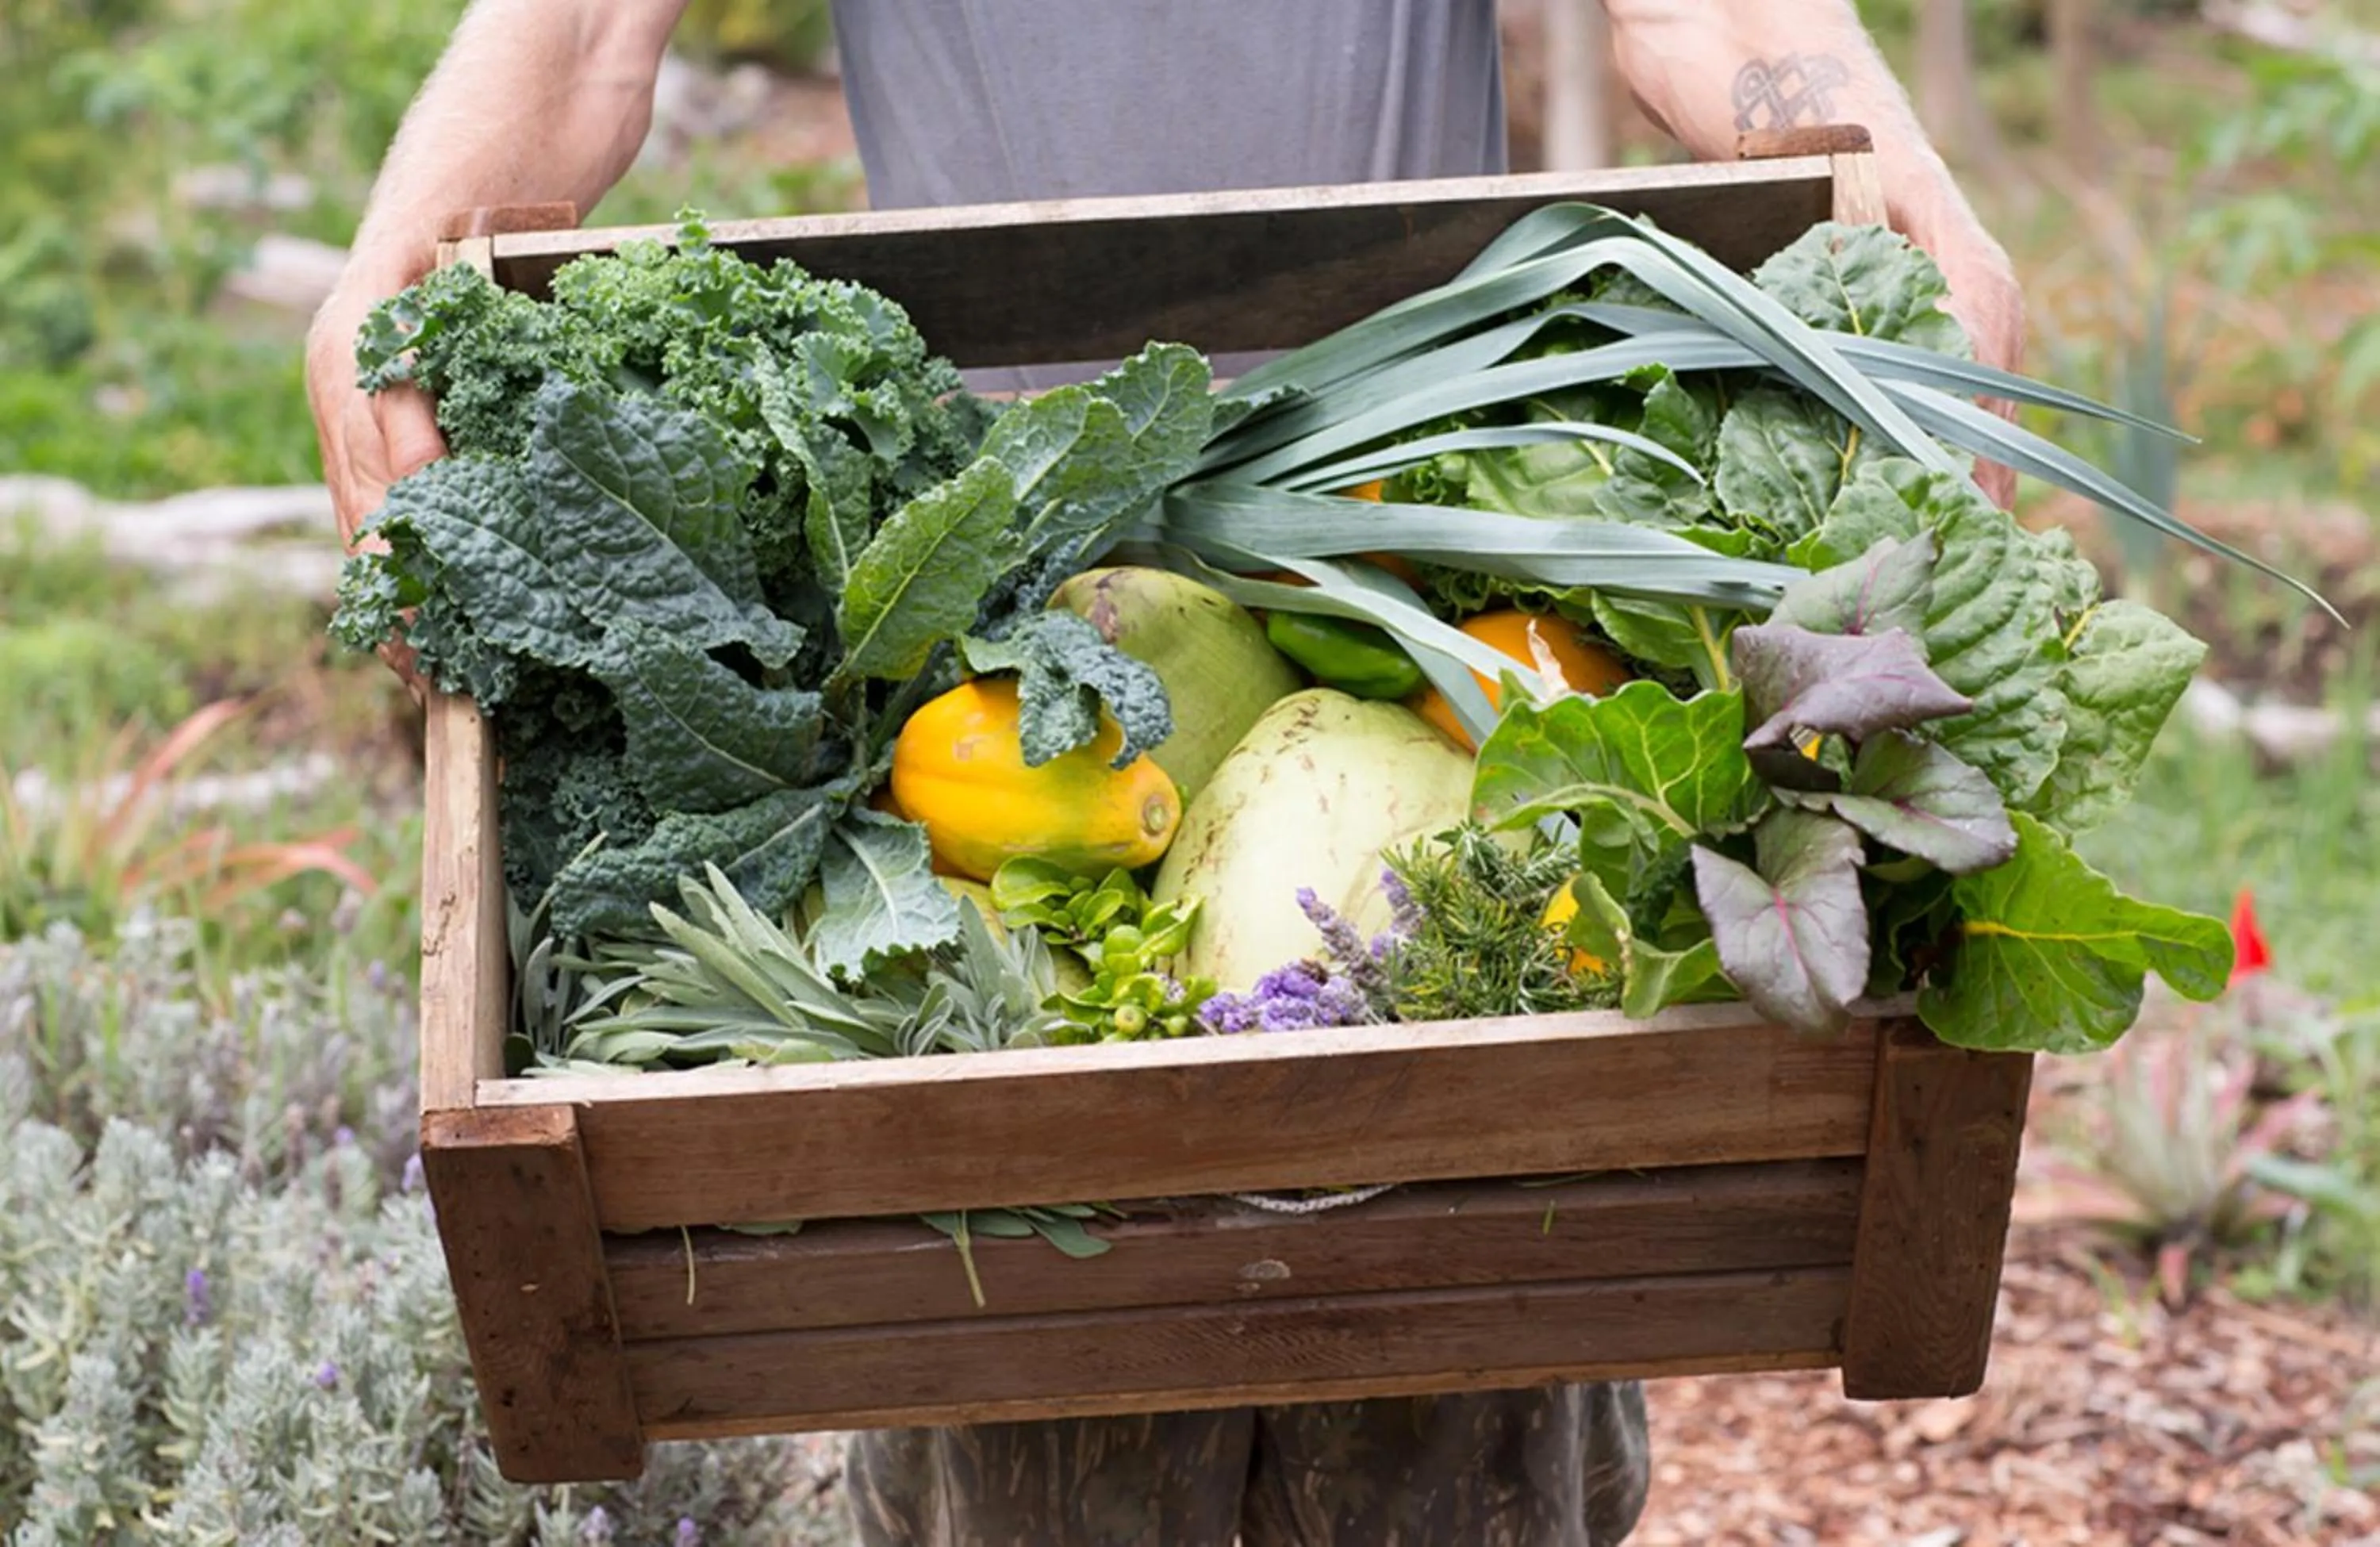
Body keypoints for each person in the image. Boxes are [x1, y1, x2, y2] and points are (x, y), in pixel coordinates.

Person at [308, 6, 2021, 1542]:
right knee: (1045, 1430)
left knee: (1445, 1404)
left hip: (1422, 565)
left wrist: (1875, 155)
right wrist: (393, 250)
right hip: (983, 629)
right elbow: (587, 29)